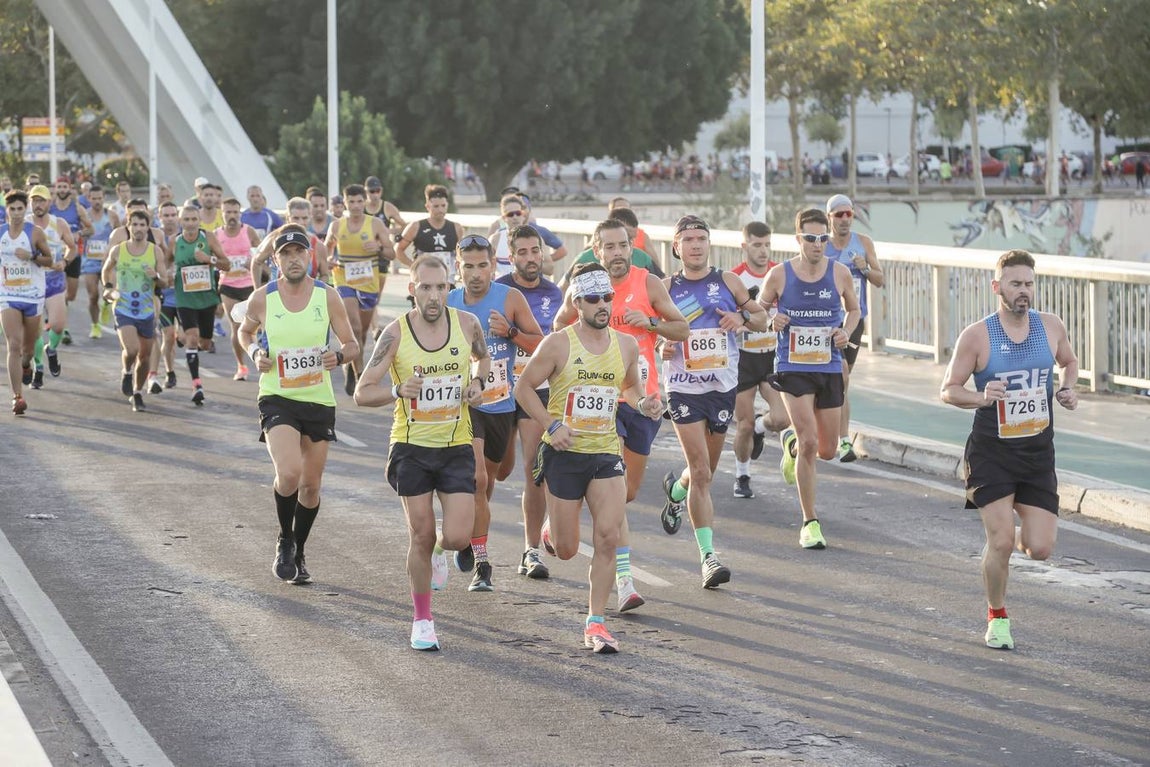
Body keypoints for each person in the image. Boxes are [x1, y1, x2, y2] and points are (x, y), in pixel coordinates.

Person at [516, 262, 664, 653]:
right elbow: (524, 389)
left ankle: (595, 622)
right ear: (577, 302)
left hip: (604, 452)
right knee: (566, 549)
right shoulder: (558, 344)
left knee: (608, 536)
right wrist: (550, 425)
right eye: (594, 298)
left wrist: (644, 403)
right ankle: (551, 531)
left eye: (607, 297)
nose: (603, 304)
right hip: (565, 454)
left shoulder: (626, 345)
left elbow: (630, 389)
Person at [940, 249, 1078, 651]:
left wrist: (1068, 388)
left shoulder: (1050, 326)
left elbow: (1069, 361)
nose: (1024, 292)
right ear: (997, 287)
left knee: (1039, 549)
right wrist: (982, 397)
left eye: (1030, 284)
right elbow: (948, 390)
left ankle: (1003, 534)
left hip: (1037, 453)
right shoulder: (977, 335)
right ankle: (997, 616)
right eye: (1016, 284)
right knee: (1001, 541)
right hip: (991, 451)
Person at [552, 217, 688, 610]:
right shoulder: (584, 285)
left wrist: (652, 325)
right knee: (609, 485)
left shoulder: (648, 284)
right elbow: (557, 330)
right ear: (597, 251)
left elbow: (682, 329)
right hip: (596, 402)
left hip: (641, 401)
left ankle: (564, 511)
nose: (616, 253)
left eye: (623, 245)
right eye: (608, 247)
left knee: (625, 493)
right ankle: (624, 580)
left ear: (632, 247)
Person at [354, 254, 489, 651]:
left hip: (455, 445)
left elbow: (482, 358)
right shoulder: (395, 335)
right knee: (421, 534)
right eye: (425, 288)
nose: (433, 296)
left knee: (458, 536)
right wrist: (398, 391)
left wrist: (477, 384)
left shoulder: (468, 324)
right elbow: (362, 392)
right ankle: (422, 620)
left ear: (450, 288)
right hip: (411, 448)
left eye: (441, 287)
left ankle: (438, 554)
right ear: (412, 289)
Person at [238, 226, 358, 585]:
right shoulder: (263, 298)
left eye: (299, 253)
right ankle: (284, 538)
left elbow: (352, 344)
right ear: (275, 261)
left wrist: (338, 355)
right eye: (286, 254)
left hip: (318, 399)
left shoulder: (328, 297)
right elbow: (245, 332)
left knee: (310, 486)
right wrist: (255, 351)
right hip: (277, 395)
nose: (293, 259)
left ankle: (298, 548)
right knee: (289, 473)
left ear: (311, 258)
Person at [660, 215, 767, 588]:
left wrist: (740, 317)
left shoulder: (728, 282)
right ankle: (708, 557)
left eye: (701, 239)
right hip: (683, 387)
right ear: (677, 246)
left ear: (709, 243)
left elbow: (763, 319)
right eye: (687, 239)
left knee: (703, 470)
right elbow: (653, 335)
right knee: (702, 473)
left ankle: (675, 491)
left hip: (721, 387)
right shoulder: (665, 288)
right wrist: (664, 344)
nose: (695, 245)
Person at [446, 234, 543, 592]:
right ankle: (483, 563)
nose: (475, 273)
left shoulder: (509, 298)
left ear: (493, 266)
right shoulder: (449, 302)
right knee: (478, 482)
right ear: (458, 268)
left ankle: (473, 528)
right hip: (466, 405)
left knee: (498, 475)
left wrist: (512, 332)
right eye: (468, 266)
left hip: (502, 404)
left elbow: (540, 344)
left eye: (482, 265)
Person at [758, 208, 859, 550]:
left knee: (827, 450)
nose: (818, 245)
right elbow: (760, 307)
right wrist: (773, 318)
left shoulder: (840, 272)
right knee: (811, 442)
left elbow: (855, 309)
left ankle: (791, 444)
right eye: (811, 239)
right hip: (793, 365)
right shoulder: (780, 274)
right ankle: (809, 521)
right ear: (798, 238)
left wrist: (845, 332)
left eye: (823, 239)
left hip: (828, 365)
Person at [494, 224, 564, 580]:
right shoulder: (500, 291)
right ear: (511, 255)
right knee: (498, 470)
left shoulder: (556, 293)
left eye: (534, 251)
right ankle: (472, 534)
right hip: (499, 390)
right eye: (521, 252)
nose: (530, 258)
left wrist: (513, 333)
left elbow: (554, 347)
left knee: (534, 472)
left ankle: (530, 551)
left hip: (536, 391)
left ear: (542, 253)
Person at [730, 221, 789, 498]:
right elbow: (725, 319)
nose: (763, 251)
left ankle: (761, 430)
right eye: (757, 245)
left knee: (782, 417)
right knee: (743, 424)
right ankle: (742, 475)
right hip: (743, 359)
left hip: (772, 359)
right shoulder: (734, 279)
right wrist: (741, 323)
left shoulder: (780, 274)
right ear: (745, 246)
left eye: (767, 245)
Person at [824, 194, 884, 462]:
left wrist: (865, 268)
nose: (845, 219)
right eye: (839, 215)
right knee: (840, 376)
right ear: (830, 218)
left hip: (853, 321)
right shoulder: (821, 245)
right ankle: (842, 440)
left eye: (849, 214)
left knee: (841, 382)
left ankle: (841, 438)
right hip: (824, 321)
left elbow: (880, 279)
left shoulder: (863, 243)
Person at [324, 183, 394, 395]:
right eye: (351, 201)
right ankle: (359, 373)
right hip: (344, 278)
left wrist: (379, 248)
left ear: (364, 202)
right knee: (353, 326)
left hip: (368, 281)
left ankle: (352, 362)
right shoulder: (337, 226)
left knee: (362, 332)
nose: (355, 205)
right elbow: (328, 248)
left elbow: (391, 253)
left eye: (359, 201)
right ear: (344, 203)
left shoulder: (375, 225)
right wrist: (328, 259)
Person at [102, 210, 166, 411]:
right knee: (131, 349)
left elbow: (164, 281)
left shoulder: (155, 251)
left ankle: (137, 392)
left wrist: (154, 275)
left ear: (148, 227)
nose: (138, 229)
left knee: (145, 357)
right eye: (134, 224)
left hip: (147, 310)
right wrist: (109, 287)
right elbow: (106, 269)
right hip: (123, 307)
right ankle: (126, 371)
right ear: (128, 226)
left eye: (142, 225)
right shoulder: (118, 250)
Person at [1, 191, 53, 415]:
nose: (16, 213)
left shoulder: (36, 233)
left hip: (32, 295)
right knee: (13, 344)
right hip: (8, 294)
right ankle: (17, 396)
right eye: (12, 209)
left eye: (20, 209)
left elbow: (49, 260)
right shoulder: (1, 233)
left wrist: (31, 256)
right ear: (6, 210)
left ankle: (26, 365)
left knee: (28, 350)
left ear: (26, 210)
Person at [172, 203, 229, 405]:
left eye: (193, 219)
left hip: (206, 299)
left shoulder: (208, 238)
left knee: (204, 343)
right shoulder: (175, 242)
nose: (190, 223)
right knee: (193, 338)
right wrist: (167, 275)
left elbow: (227, 264)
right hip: (184, 298)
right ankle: (197, 384)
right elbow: (164, 265)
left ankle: (182, 335)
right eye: (186, 219)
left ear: (199, 221)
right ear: (180, 221)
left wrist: (209, 259)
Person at [27, 186, 77, 388]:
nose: (38, 205)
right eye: (34, 201)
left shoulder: (59, 224)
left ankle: (52, 349)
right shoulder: (25, 224)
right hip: (32, 282)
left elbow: (72, 248)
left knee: (57, 325)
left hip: (54, 279)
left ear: (49, 202)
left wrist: (64, 263)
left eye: (42, 201)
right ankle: (38, 368)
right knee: (35, 331)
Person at [215, 197, 262, 380]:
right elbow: (214, 260)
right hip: (228, 285)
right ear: (222, 214)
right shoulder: (217, 234)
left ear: (240, 213)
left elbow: (261, 253)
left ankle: (258, 355)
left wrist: (253, 261)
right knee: (236, 326)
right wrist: (220, 264)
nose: (232, 216)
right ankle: (241, 366)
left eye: (235, 212)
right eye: (228, 212)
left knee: (255, 325)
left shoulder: (248, 232)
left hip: (249, 284)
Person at [393, 184, 464, 283]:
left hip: (448, 281)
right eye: (436, 206)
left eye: (443, 206)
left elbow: (462, 254)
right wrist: (413, 266)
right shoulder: (416, 226)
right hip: (424, 282)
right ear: (427, 206)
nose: (440, 210)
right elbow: (398, 250)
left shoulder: (456, 228)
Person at [79, 185, 120, 339]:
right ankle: (95, 325)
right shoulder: (85, 216)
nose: (97, 201)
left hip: (108, 260)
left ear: (104, 198)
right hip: (89, 261)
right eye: (94, 198)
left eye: (100, 198)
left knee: (111, 291)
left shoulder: (112, 216)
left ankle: (107, 305)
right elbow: (79, 234)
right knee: (92, 295)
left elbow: (119, 235)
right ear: (89, 199)